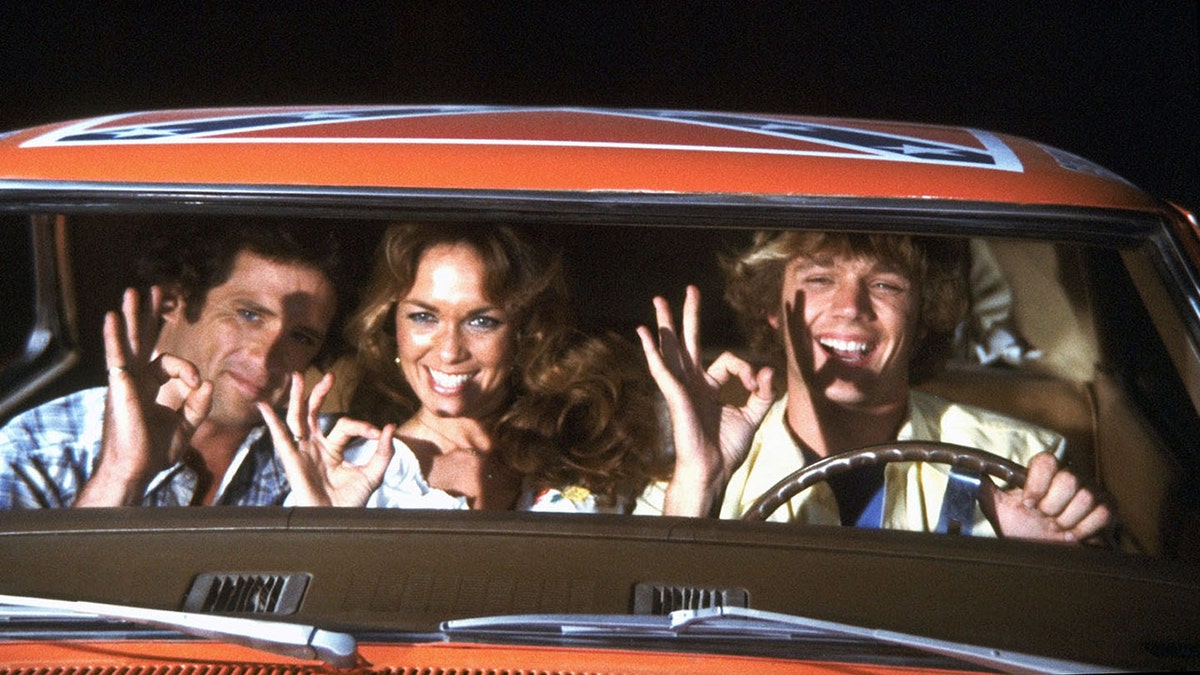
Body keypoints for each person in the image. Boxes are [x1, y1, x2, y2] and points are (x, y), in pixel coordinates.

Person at [637, 230, 1112, 543]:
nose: (850, 306)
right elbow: (635, 634)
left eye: (886, 285)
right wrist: (698, 485)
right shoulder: (689, 475)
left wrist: (1048, 558)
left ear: (923, 315)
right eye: (820, 278)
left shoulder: (1023, 464)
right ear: (773, 309)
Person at [261, 222, 668, 512]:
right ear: (392, 326)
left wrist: (699, 473)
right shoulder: (346, 473)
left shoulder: (592, 451)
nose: (450, 350)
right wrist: (320, 530)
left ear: (525, 333)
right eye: (424, 317)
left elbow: (656, 604)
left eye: (481, 321)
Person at [0, 221, 372, 508]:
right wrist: (120, 473)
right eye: (248, 314)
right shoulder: (41, 445)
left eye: (301, 338)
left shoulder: (335, 458)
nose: (265, 356)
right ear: (172, 303)